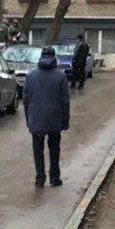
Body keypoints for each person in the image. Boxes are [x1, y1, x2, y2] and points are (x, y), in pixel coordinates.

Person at [24, 45, 70, 187]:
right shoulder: (61, 76)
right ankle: (55, 178)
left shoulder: (31, 75)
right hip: (55, 117)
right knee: (54, 148)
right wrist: (65, 120)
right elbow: (65, 101)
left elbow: (25, 100)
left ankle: (40, 179)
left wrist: (28, 119)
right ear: (54, 57)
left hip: (36, 117)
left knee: (38, 150)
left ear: (41, 56)